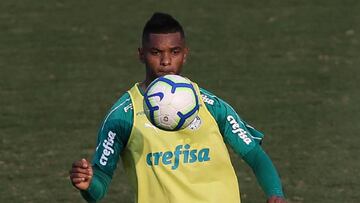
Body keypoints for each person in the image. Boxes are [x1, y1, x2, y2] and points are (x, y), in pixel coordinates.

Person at [70, 12, 287, 203]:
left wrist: (275, 193)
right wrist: (88, 185)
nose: (166, 61)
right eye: (156, 52)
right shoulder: (122, 116)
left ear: (185, 54)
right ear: (141, 54)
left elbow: (255, 156)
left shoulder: (210, 105)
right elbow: (99, 186)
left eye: (174, 52)